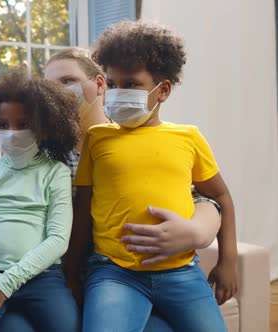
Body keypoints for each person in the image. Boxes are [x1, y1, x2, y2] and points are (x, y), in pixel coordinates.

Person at [74, 20, 235, 331]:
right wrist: (70, 271)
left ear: (163, 90)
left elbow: (220, 196)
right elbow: (83, 208)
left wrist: (228, 261)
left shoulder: (189, 138)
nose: (119, 92)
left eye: (131, 84)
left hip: (182, 272)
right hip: (114, 273)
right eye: (113, 83)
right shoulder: (97, 138)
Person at [0, 72, 81, 331]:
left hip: (43, 280)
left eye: (23, 124)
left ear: (43, 127)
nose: (12, 134)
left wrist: (6, 284)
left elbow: (58, 239)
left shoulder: (55, 172)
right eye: (3, 125)